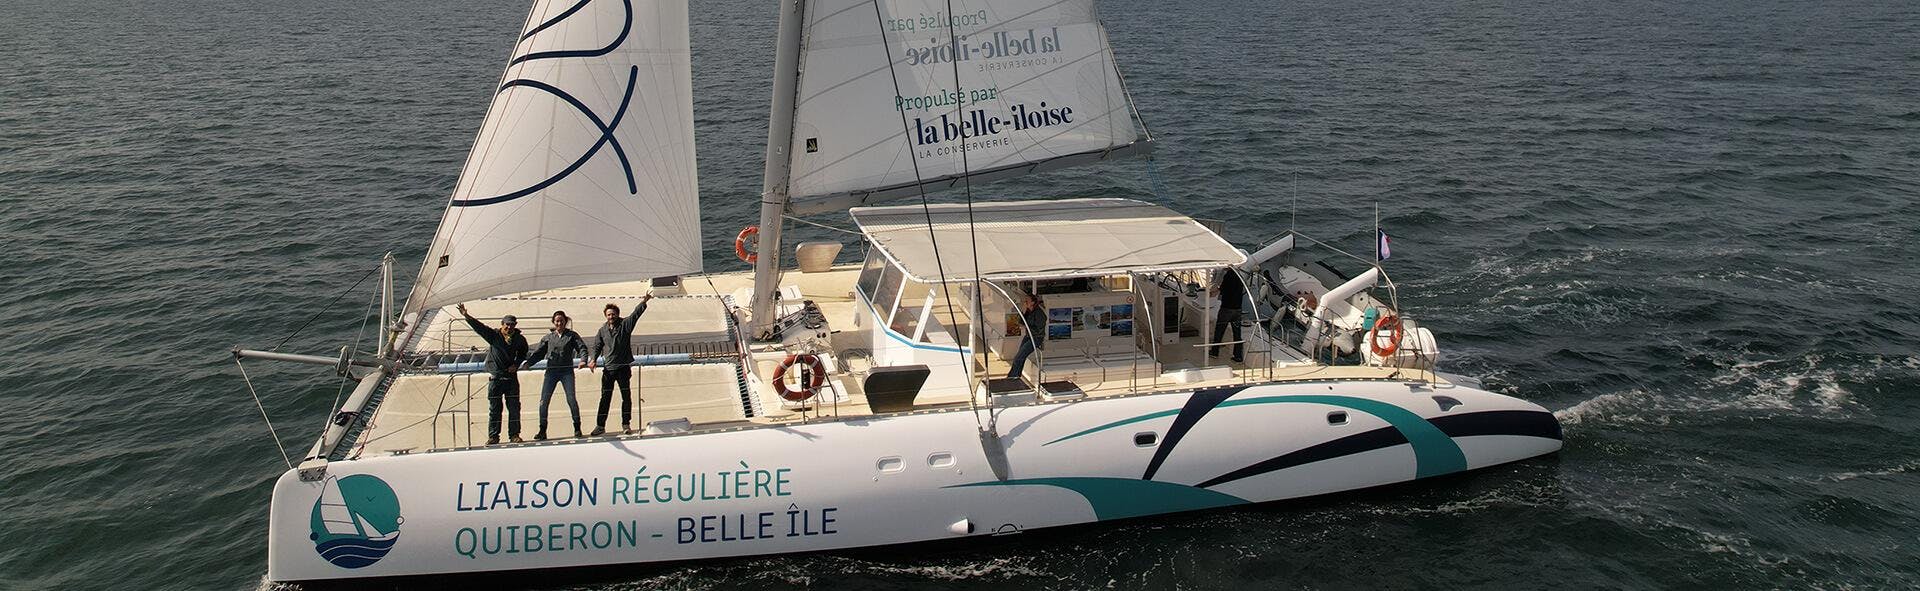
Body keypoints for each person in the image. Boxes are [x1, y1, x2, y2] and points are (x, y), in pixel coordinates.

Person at [456, 303, 528, 445]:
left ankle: (514, 435)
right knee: (495, 408)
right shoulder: (494, 336)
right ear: (502, 325)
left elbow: (523, 353)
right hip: (495, 378)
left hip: (511, 378)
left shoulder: (520, 339)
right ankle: (494, 436)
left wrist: (516, 364)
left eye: (512, 325)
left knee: (514, 407)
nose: (509, 327)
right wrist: (466, 315)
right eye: (507, 324)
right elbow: (480, 327)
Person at [588, 295, 651, 435]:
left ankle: (626, 424)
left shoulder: (624, 326)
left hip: (622, 368)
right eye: (609, 314)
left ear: (617, 314)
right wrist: (593, 360)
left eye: (613, 314)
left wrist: (644, 301)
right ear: (605, 316)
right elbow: (597, 346)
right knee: (605, 398)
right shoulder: (602, 330)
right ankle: (600, 425)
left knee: (626, 397)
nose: (611, 316)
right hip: (608, 370)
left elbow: (635, 315)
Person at [522, 310, 589, 440]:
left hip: (566, 372)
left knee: (571, 399)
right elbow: (539, 353)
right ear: (554, 322)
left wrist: (583, 360)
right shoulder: (548, 338)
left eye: (562, 321)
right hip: (551, 372)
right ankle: (542, 429)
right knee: (543, 401)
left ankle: (577, 427)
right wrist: (529, 363)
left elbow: (582, 348)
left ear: (565, 322)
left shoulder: (572, 336)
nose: (559, 323)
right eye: (557, 321)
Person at [1005, 294, 1047, 380]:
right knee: (1020, 356)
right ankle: (1016, 375)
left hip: (1036, 338)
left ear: (1033, 302)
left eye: (1027, 301)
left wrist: (1026, 326)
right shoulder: (1028, 311)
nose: (1025, 303)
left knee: (1019, 357)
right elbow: (1021, 322)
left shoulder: (1040, 314)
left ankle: (1012, 377)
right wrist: (1023, 311)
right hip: (1028, 336)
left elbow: (1039, 329)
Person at [1210, 269, 1248, 363]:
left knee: (1219, 330)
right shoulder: (1240, 277)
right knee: (1237, 334)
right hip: (1238, 309)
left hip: (1226, 308)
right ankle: (1238, 356)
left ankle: (1214, 352)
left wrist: (1216, 290)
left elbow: (1223, 290)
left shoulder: (1228, 276)